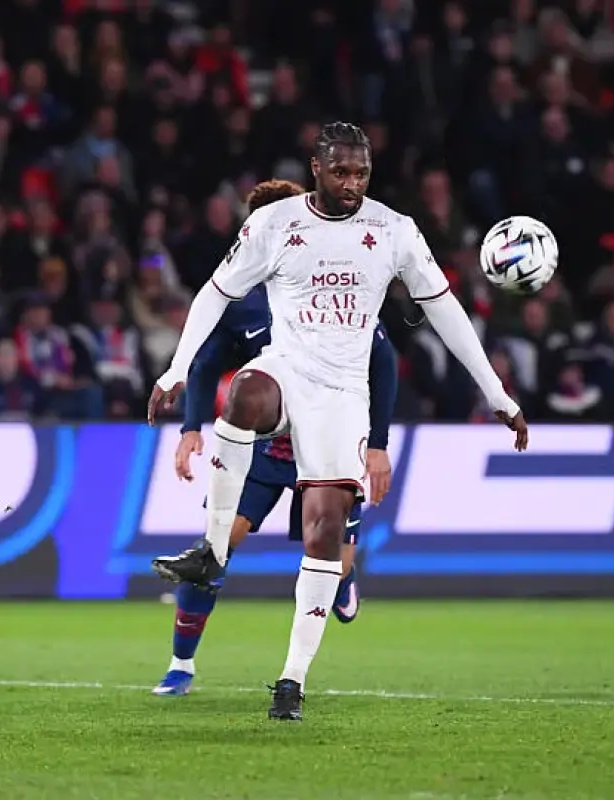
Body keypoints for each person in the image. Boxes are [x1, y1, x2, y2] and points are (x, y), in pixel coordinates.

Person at [146, 122, 527, 721]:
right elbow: (214, 294)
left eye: (362, 174)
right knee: (244, 393)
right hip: (287, 370)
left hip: (343, 399)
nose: (352, 184)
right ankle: (211, 553)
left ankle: (291, 679)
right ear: (316, 168)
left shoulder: (394, 231)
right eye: (341, 172)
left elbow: (446, 311)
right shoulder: (274, 224)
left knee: (324, 534)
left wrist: (497, 394)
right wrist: (175, 370)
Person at [151, 179, 399, 698]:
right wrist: (191, 429)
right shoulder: (240, 301)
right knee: (214, 551)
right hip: (266, 454)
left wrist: (377, 442)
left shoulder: (335, 286)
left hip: (328, 442)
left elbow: (385, 360)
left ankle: (341, 580)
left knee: (332, 565)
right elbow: (204, 364)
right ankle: (181, 665)